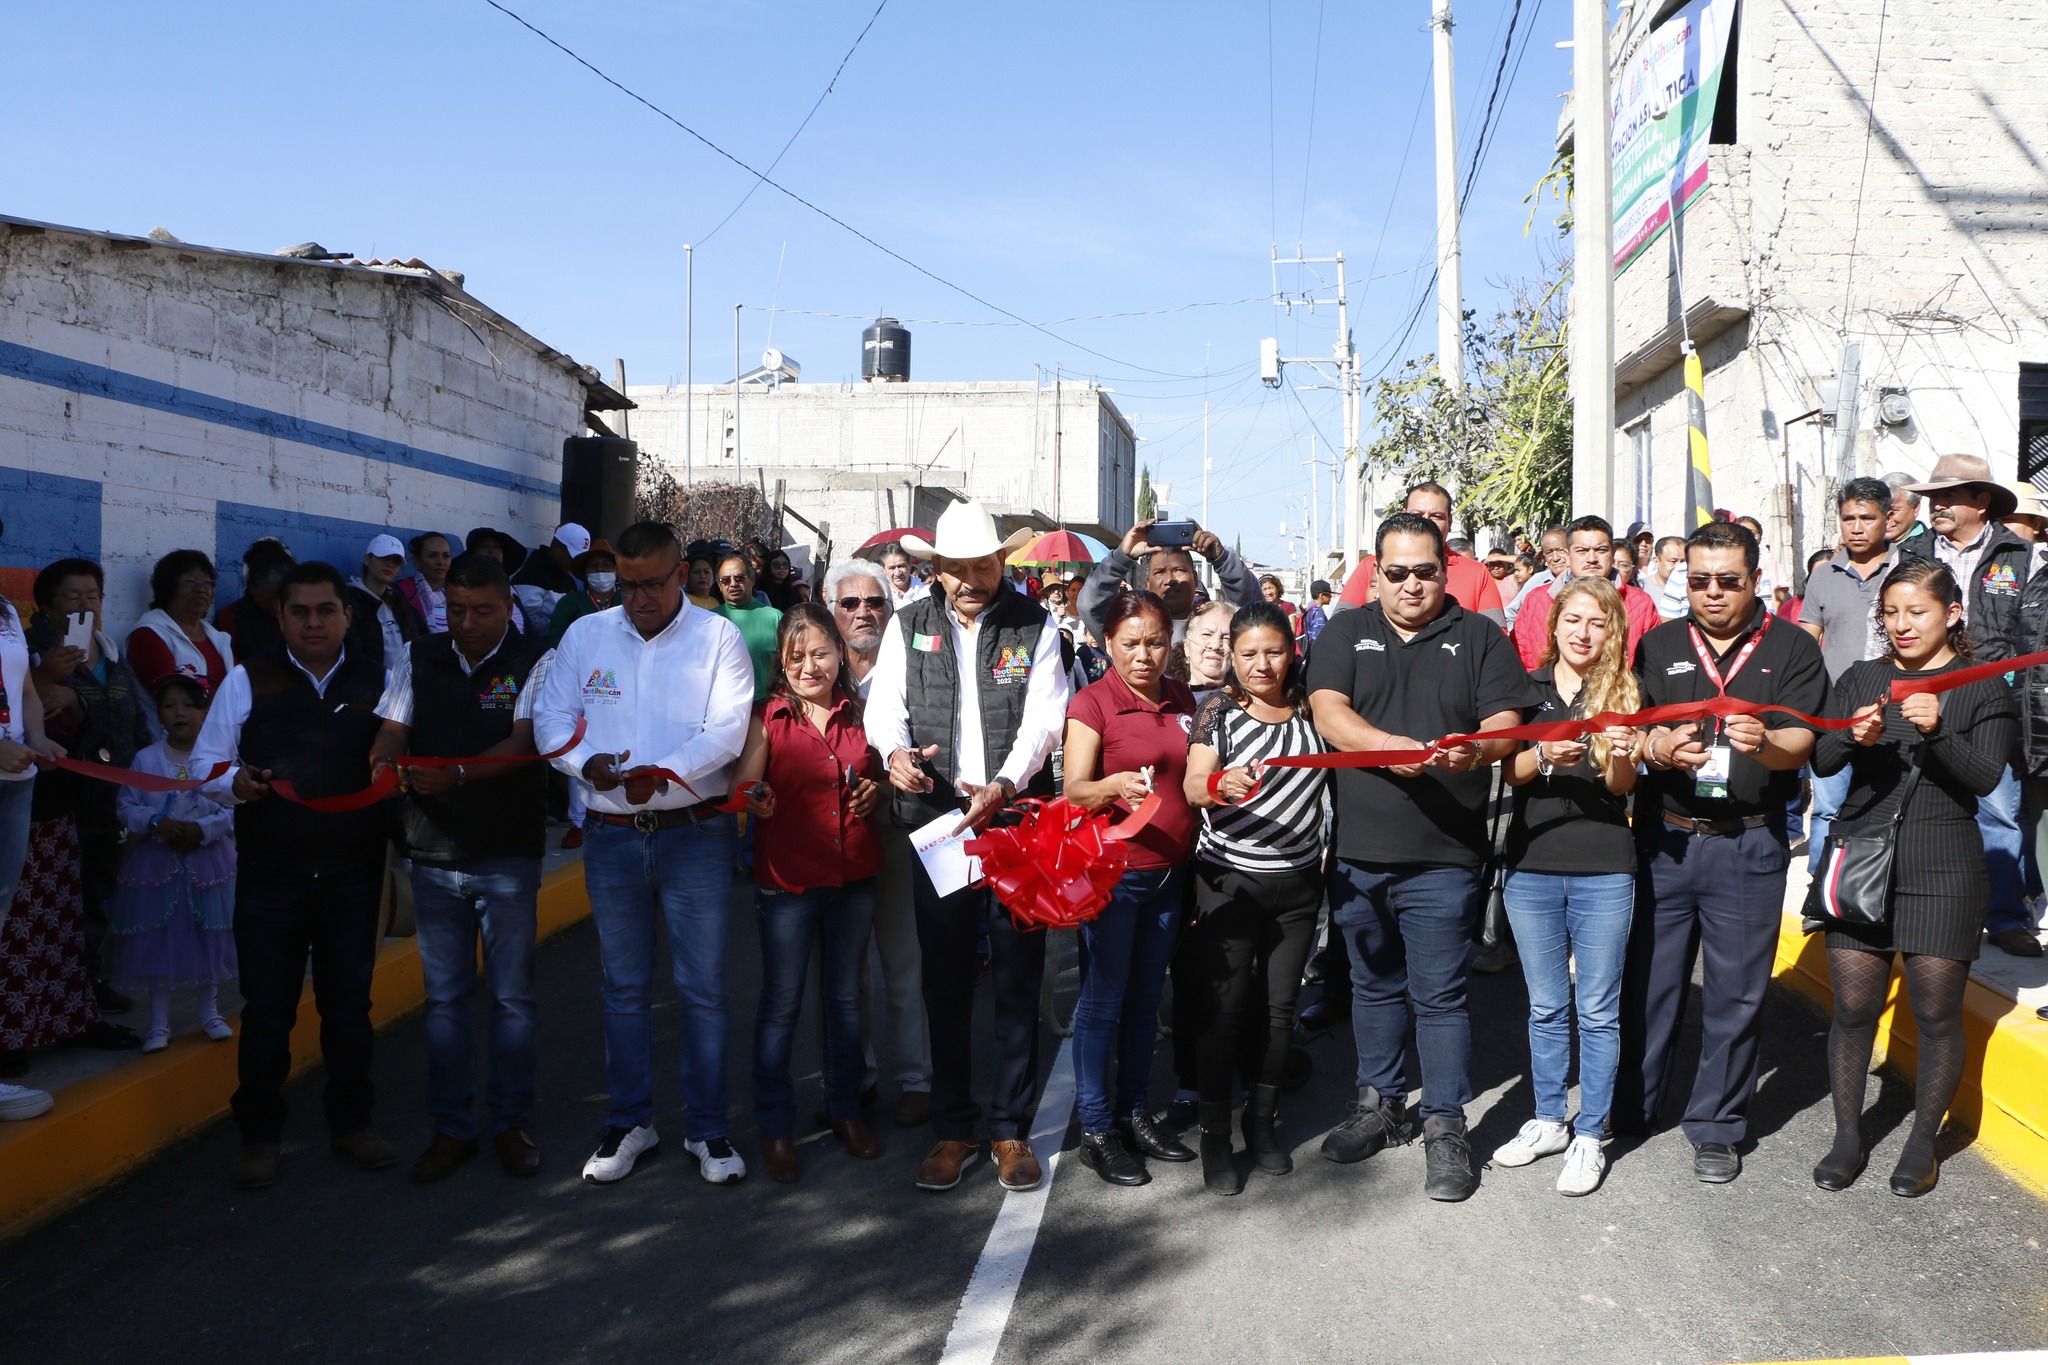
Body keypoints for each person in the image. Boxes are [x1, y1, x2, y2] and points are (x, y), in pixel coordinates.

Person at [1306, 511, 1537, 1201]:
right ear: (1376, 574)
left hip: (1445, 857)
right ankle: (1378, 1103)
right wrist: (1392, 748)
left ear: (1448, 569)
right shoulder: (1347, 629)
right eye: (1397, 571)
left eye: (1425, 570)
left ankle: (1444, 1123)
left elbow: (1506, 722)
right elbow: (1327, 713)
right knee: (1373, 987)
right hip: (1359, 856)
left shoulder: (1479, 638)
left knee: (1439, 996)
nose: (1412, 583)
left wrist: (1480, 747)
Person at [535, 521, 754, 1186]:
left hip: (695, 833)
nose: (637, 598)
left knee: (704, 989)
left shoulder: (718, 638)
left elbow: (727, 730)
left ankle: (708, 1128)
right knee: (624, 989)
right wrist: (582, 762)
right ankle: (631, 1119)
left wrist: (662, 772)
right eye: (626, 586)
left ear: (682, 571)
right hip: (611, 838)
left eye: (652, 583)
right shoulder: (585, 635)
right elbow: (550, 716)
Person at [864, 499, 1070, 1194]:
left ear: (1000, 562)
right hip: (939, 823)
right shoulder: (908, 622)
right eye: (957, 568)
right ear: (938, 570)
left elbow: (1046, 717)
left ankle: (1010, 1126)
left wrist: (1007, 784)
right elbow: (882, 703)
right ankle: (954, 1126)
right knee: (945, 974)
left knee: (1017, 971)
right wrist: (892, 750)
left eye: (983, 564)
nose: (970, 578)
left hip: (1011, 817)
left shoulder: (1034, 625)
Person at [1620, 520, 1828, 1183]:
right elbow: (1630, 732)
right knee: (1650, 983)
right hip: (1669, 838)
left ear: (1754, 579)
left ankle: (1717, 1124)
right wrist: (1656, 748)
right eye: (1699, 580)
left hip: (1749, 841)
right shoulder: (1658, 643)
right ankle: (1635, 1103)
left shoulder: (1791, 647)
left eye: (1727, 581)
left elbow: (1802, 741)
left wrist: (1762, 744)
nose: (1712, 592)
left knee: (1735, 995)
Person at [1809, 560, 2017, 1198]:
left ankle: (1922, 1141)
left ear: (1952, 614)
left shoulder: (1982, 685)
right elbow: (1821, 757)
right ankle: (1848, 1134)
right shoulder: (1864, 677)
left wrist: (1938, 728)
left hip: (1944, 867)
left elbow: (1985, 780)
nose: (1901, 625)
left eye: (1916, 612)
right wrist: (1853, 738)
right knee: (1854, 1010)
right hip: (1863, 858)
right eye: (1891, 613)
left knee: (1935, 1013)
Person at [190, 562, 398, 1190]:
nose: (313, 622)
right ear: (279, 617)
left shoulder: (381, 682)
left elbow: (401, 758)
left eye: (325, 610)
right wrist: (235, 782)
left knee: (348, 1011)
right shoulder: (247, 678)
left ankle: (352, 1124)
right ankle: (260, 1135)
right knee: (268, 1013)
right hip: (270, 876)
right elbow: (204, 764)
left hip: (354, 876)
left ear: (347, 615)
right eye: (300, 612)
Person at [368, 551, 549, 1184]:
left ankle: (510, 1124)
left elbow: (523, 743)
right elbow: (394, 724)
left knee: (511, 1000)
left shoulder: (537, 661)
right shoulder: (420, 654)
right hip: (431, 853)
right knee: (444, 1002)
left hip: (506, 854)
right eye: (457, 610)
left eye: (482, 611)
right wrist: (382, 761)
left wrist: (458, 775)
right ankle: (452, 1129)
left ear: (507, 606)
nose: (467, 623)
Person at [1492, 578, 1642, 1197]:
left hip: (1605, 868)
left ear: (1613, 633)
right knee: (1546, 1005)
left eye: (1597, 623)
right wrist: (1549, 755)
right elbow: (1511, 769)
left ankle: (1591, 1134)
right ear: (1553, 626)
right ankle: (1550, 1119)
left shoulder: (1625, 693)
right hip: (1530, 868)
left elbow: (1621, 787)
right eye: (1573, 620)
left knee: (1599, 1009)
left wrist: (1622, 753)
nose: (1583, 633)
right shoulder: (1523, 691)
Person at [732, 604, 887, 1182]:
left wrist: (880, 792)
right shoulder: (768, 717)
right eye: (796, 657)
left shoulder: (862, 712)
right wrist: (755, 797)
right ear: (782, 663)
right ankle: (775, 1127)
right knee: (782, 1003)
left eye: (820, 653)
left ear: (840, 653)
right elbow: (742, 783)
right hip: (788, 881)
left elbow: (880, 775)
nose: (808, 666)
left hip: (853, 877)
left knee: (845, 1000)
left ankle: (844, 1110)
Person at [1181, 601, 1329, 1195]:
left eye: (1273, 651)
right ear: (1231, 658)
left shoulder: (1315, 707)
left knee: (1280, 1011)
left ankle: (1260, 1122)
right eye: (1248, 655)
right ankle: (1216, 1135)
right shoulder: (1219, 711)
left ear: (1292, 649)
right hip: (1229, 884)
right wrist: (1219, 783)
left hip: (1298, 887)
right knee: (1226, 1011)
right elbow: (1193, 785)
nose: (1261, 665)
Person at [1061, 591, 1200, 1186]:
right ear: (1107, 643)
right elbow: (1072, 790)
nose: (1145, 655)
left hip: (1172, 875)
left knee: (1146, 1000)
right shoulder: (1093, 702)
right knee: (1102, 1002)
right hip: (1116, 874)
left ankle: (1135, 1111)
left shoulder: (1183, 698)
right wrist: (1109, 786)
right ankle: (1096, 1129)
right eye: (1132, 643)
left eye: (1157, 643)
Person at [1906, 454, 2034, 956]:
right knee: (1921, 802)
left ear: (1981, 502)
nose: (1935, 504)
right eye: (1933, 495)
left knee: (1999, 808)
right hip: (1923, 691)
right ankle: (1922, 903)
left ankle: (2005, 916)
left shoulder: (2020, 554)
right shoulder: (1912, 552)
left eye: (1948, 496)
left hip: (1993, 699)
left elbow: (2032, 634)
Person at [825, 558, 933, 1127]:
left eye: (875, 603)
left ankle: (915, 1079)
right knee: (845, 973)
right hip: (833, 841)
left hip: (894, 833)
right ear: (831, 613)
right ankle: (856, 1076)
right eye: (850, 604)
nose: (865, 613)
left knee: (902, 960)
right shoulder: (815, 674)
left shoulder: (913, 670)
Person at [29, 558, 154, 1014]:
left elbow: (135, 723)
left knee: (98, 895)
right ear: (45, 607)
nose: (85, 605)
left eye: (93, 596)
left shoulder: (111, 653)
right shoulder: (31, 655)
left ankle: (89, 985)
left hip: (112, 802)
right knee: (54, 904)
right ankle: (50, 1002)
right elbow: (37, 717)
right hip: (54, 805)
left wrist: (144, 778)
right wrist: (55, 685)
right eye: (72, 596)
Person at [106, 675, 238, 1053]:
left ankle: (210, 1012)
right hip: (156, 863)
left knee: (208, 935)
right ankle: (159, 1024)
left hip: (209, 861)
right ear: (158, 712)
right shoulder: (146, 759)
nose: (179, 713)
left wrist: (202, 830)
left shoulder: (219, 759)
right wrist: (155, 822)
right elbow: (126, 806)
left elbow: (233, 808)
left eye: (189, 705)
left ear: (205, 712)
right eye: (169, 705)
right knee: (157, 940)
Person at [1799, 478, 1917, 870]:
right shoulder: (1823, 575)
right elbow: (1804, 646)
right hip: (1836, 712)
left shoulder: (1911, 570)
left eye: (1867, 517)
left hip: (1899, 711)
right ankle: (1821, 894)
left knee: (1891, 805)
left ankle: (1881, 890)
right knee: (1828, 809)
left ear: (1889, 518)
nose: (1857, 526)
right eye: (1848, 517)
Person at [1338, 482, 1507, 627]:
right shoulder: (1371, 566)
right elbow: (1340, 626)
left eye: (1436, 516)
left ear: (1449, 521)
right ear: (1403, 514)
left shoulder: (1477, 573)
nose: (1426, 521)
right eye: (1417, 514)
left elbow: (1494, 636)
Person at [1510, 515, 1660, 670]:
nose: (1592, 558)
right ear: (1568, 554)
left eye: (1600, 550)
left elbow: (1654, 665)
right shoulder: (1537, 600)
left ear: (1612, 552)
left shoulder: (1641, 604)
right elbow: (1520, 659)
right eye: (1582, 551)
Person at [1079, 516, 1257, 646]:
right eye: (1160, 572)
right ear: (1148, 583)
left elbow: (1255, 612)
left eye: (1179, 570)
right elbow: (1090, 605)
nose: (1170, 580)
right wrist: (1120, 558)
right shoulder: (1130, 625)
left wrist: (1222, 559)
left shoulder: (1218, 626)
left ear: (1195, 578)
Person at [128, 550, 233, 694]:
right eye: (190, 582)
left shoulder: (218, 638)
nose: (201, 589)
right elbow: (174, 698)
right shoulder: (149, 633)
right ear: (168, 588)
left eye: (207, 582)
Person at [344, 534, 423, 671]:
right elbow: (352, 651)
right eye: (383, 557)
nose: (390, 564)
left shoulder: (399, 600)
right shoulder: (350, 601)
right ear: (367, 559)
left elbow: (414, 641)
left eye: (396, 561)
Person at [715, 551, 783, 703]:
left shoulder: (775, 618)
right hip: (722, 710)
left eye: (739, 578)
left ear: (751, 579)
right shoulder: (709, 621)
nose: (733, 584)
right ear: (719, 585)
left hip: (765, 709)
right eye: (725, 580)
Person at [216, 538, 294, 662]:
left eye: (284, 597)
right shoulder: (230, 618)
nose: (277, 606)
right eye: (268, 599)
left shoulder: (303, 616)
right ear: (251, 587)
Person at [510, 523, 589, 627]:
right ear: (557, 547)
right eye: (572, 557)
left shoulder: (569, 580)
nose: (575, 563)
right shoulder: (531, 575)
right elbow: (527, 621)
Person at [547, 539, 619, 647]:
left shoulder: (627, 600)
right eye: (593, 565)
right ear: (585, 573)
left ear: (616, 571)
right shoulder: (568, 603)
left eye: (606, 565)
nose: (600, 569)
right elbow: (556, 638)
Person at [462, 529, 531, 634]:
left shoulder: (510, 589)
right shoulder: (465, 588)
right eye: (485, 546)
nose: (492, 551)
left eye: (497, 547)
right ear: (473, 554)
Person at [395, 532, 454, 635]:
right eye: (432, 556)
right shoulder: (401, 592)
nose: (441, 562)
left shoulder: (458, 593)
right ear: (417, 560)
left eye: (446, 556)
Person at [1883, 472, 1934, 559]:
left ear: (1915, 508)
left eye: (1894, 511)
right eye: (1881, 510)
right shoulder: (1866, 546)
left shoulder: (1933, 548)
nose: (1885, 518)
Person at [1641, 535, 1686, 614]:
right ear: (1656, 562)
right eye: (1673, 561)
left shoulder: (1693, 588)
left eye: (1683, 562)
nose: (1679, 566)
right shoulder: (1641, 587)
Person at [1300, 580, 1333, 644]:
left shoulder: (1309, 608)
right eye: (1328, 594)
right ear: (1321, 595)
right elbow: (1319, 636)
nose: (1330, 596)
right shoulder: (1318, 611)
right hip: (1315, 649)